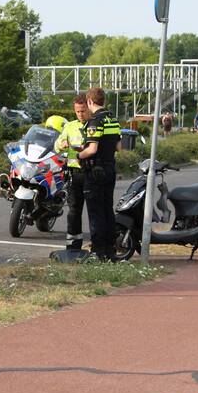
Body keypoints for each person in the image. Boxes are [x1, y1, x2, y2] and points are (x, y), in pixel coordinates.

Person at [78, 87, 122, 262]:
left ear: (89, 102)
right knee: (107, 210)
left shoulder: (96, 121)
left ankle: (97, 252)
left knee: (95, 213)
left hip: (95, 171)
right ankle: (110, 250)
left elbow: (92, 149)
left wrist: (76, 155)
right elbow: (119, 147)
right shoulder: (113, 120)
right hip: (110, 169)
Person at [55, 93, 90, 251]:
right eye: (77, 111)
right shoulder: (70, 126)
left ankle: (98, 245)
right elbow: (57, 145)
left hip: (91, 172)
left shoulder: (95, 124)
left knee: (94, 209)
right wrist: (61, 144)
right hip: (74, 172)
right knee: (74, 209)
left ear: (89, 108)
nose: (80, 114)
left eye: (83, 111)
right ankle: (73, 245)